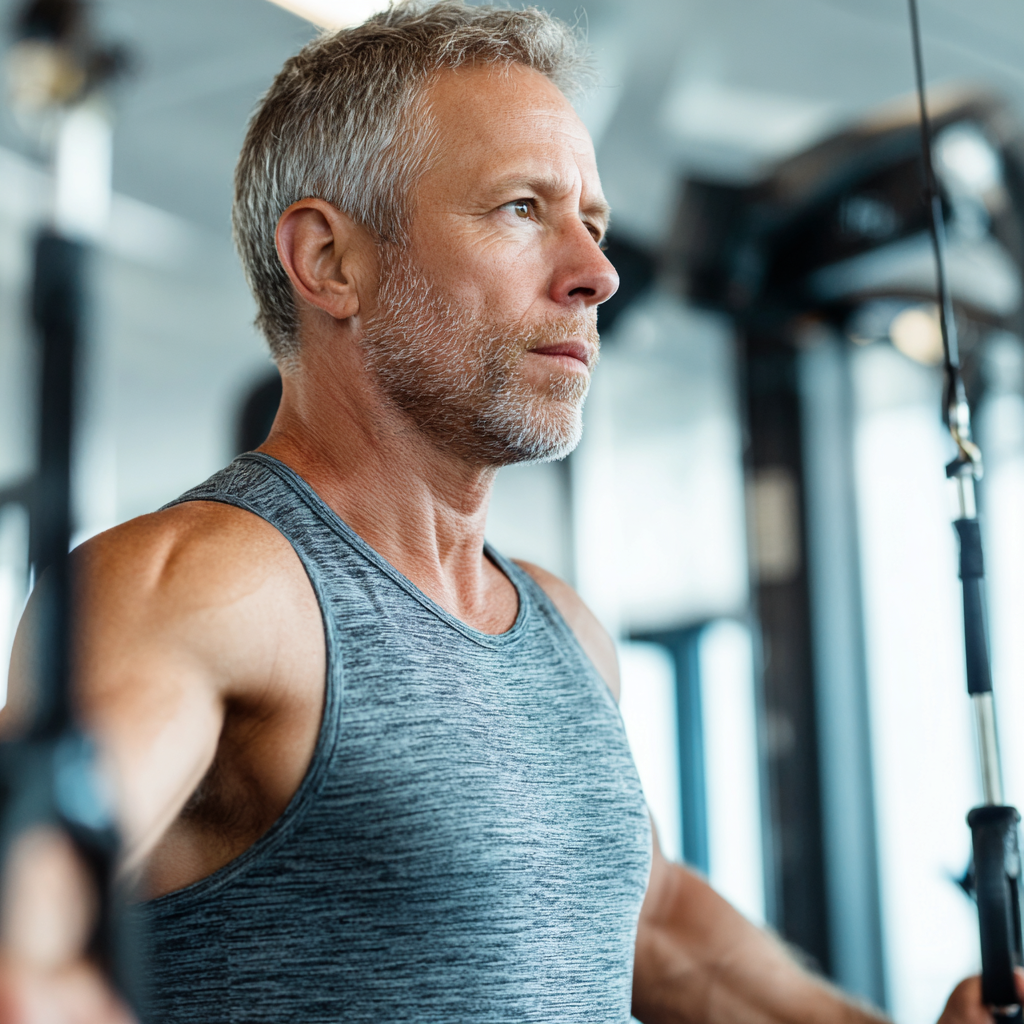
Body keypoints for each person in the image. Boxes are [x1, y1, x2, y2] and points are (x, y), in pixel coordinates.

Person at [0, 2, 1009, 1022]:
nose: (596, 274)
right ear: (329, 261)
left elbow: (651, 923)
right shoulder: (213, 583)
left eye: (594, 223)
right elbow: (17, 955)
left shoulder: (563, 628)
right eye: (521, 208)